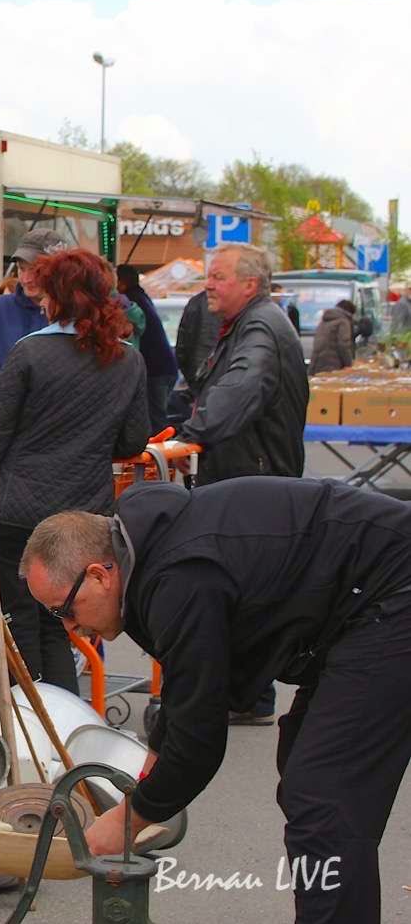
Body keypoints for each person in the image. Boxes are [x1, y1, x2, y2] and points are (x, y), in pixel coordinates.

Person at [20, 478, 411, 924]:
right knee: (308, 773)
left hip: (392, 593)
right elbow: (188, 685)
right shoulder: (146, 553)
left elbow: (201, 734)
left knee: (325, 794)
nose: (69, 627)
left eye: (64, 610)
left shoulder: (180, 577)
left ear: (99, 574)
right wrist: (152, 762)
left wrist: (128, 820)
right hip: (357, 603)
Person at [0, 248, 150, 692]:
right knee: (62, 620)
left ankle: (27, 723)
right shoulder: (127, 359)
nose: (37, 300)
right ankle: (63, 722)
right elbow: (134, 440)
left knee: (18, 620)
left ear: (58, 297)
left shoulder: (30, 353)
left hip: (16, 508)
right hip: (84, 510)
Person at [179, 243, 307, 725]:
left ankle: (249, 696)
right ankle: (246, 695)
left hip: (255, 476)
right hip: (253, 471)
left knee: (247, 588)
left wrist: (193, 431)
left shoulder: (260, 327)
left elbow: (240, 389)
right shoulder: (250, 323)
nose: (209, 284)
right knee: (245, 588)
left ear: (249, 284)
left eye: (219, 276)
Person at [0, 228, 68, 406]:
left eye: (35, 270)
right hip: (2, 426)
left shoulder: (76, 315)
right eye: (21, 268)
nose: (26, 279)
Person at [117, 264, 179, 430]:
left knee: (155, 421)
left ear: (121, 283)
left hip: (155, 370)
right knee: (156, 417)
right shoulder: (142, 297)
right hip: (164, 367)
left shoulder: (130, 303)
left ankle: (162, 455)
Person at [309, 298, 356, 375]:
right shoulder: (343, 322)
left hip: (317, 362)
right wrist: (349, 364)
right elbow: (344, 344)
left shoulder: (325, 320)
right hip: (333, 364)